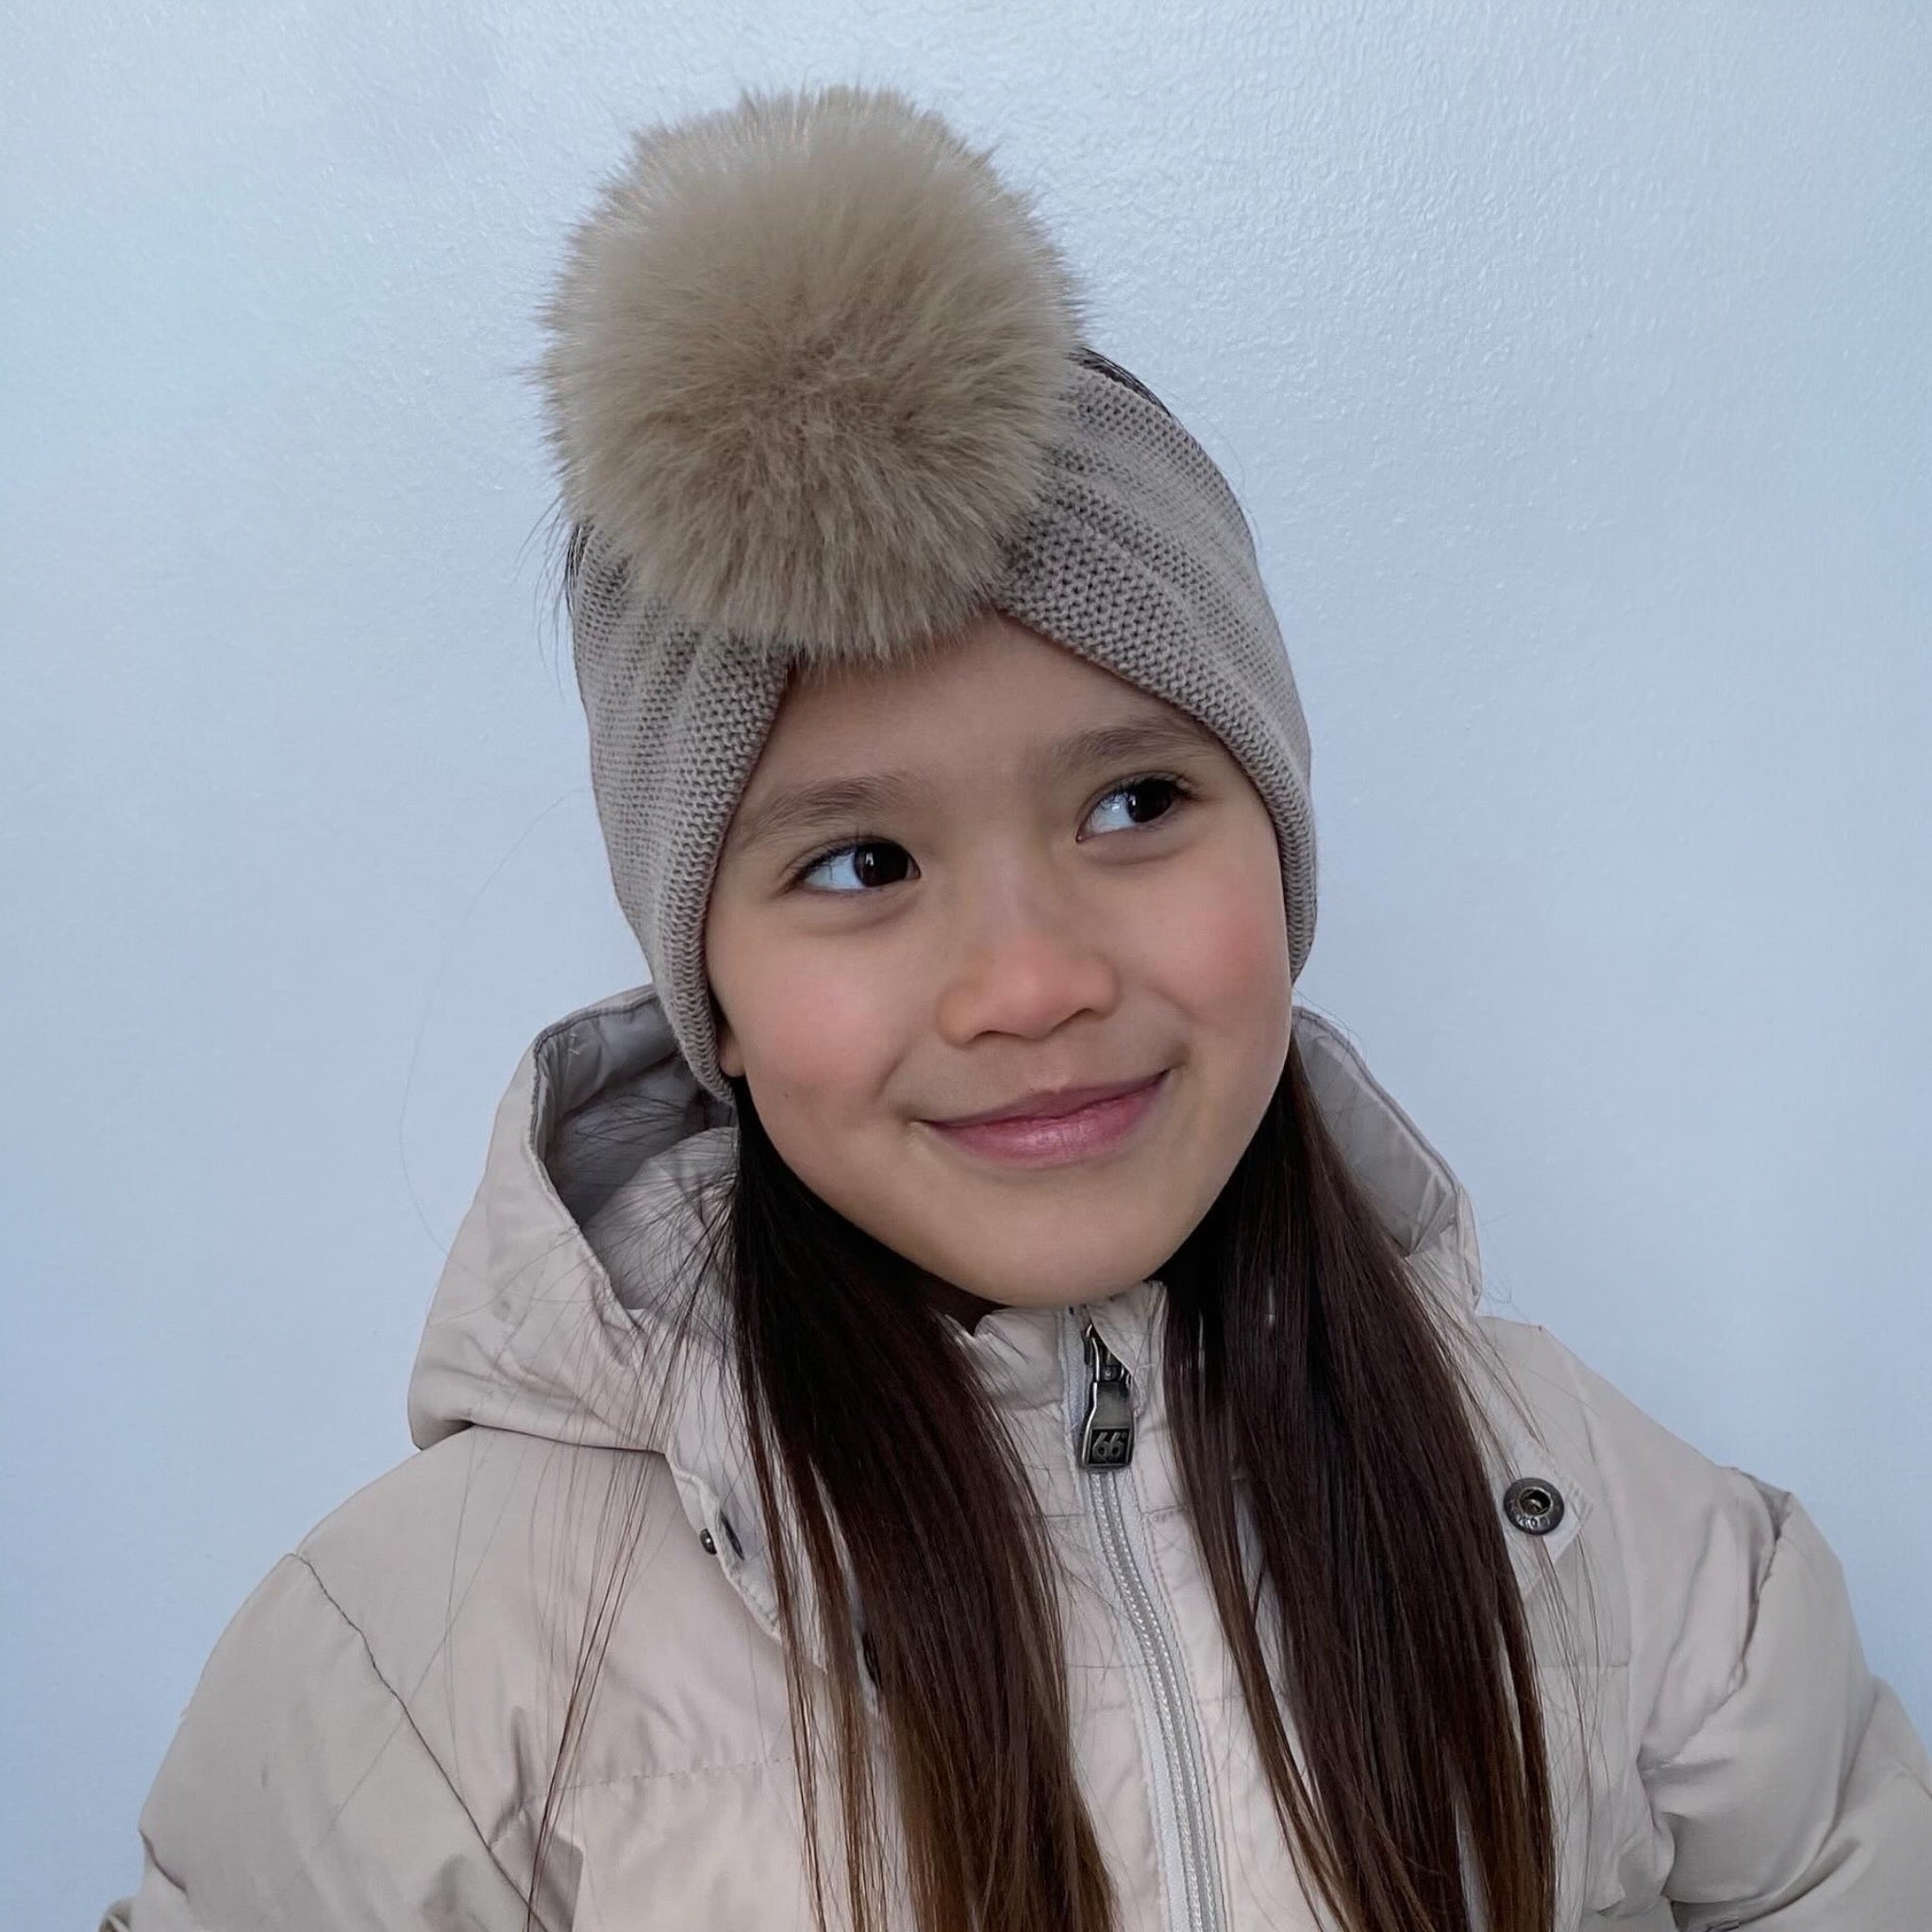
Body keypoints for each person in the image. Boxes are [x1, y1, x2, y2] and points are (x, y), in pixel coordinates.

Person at [103, 83, 1930, 1932]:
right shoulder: (430, 1678)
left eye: (1134, 805)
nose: (1035, 982)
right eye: (860, 864)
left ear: (1277, 848)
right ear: (709, 990)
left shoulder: (1604, 1527)